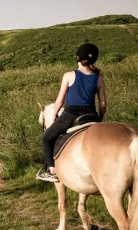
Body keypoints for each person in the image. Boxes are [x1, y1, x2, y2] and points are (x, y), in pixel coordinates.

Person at [36, 43, 107, 182]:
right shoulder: (99, 79)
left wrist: (55, 113)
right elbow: (103, 105)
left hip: (71, 115)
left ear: (77, 57)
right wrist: (100, 118)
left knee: (46, 138)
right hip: (91, 115)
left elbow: (60, 101)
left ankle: (51, 170)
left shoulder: (69, 75)